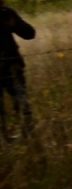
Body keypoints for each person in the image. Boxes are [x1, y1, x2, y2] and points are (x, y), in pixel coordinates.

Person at [0, 0, 35, 139]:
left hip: (11, 67)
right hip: (10, 66)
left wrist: (14, 24)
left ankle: (26, 134)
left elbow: (29, 33)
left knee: (21, 103)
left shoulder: (5, 13)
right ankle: (8, 136)